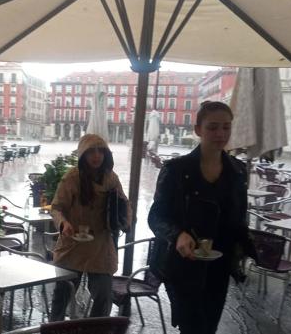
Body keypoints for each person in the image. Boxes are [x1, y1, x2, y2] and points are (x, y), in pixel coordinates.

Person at [148, 101, 255, 334]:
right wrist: (178, 235)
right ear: (198, 130)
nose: (220, 134)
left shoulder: (237, 171)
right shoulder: (176, 169)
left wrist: (250, 246)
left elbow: (238, 218)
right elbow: (155, 216)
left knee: (209, 326)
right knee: (193, 327)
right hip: (183, 264)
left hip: (220, 264)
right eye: (213, 127)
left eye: (226, 127)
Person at [49, 133, 132, 321]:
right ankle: (54, 330)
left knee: (103, 297)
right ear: (83, 156)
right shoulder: (72, 178)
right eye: (91, 152)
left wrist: (125, 221)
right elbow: (56, 207)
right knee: (61, 296)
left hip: (101, 247)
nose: (96, 156)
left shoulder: (111, 178)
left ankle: (95, 329)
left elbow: (125, 203)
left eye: (100, 151)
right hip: (72, 245)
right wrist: (64, 223)